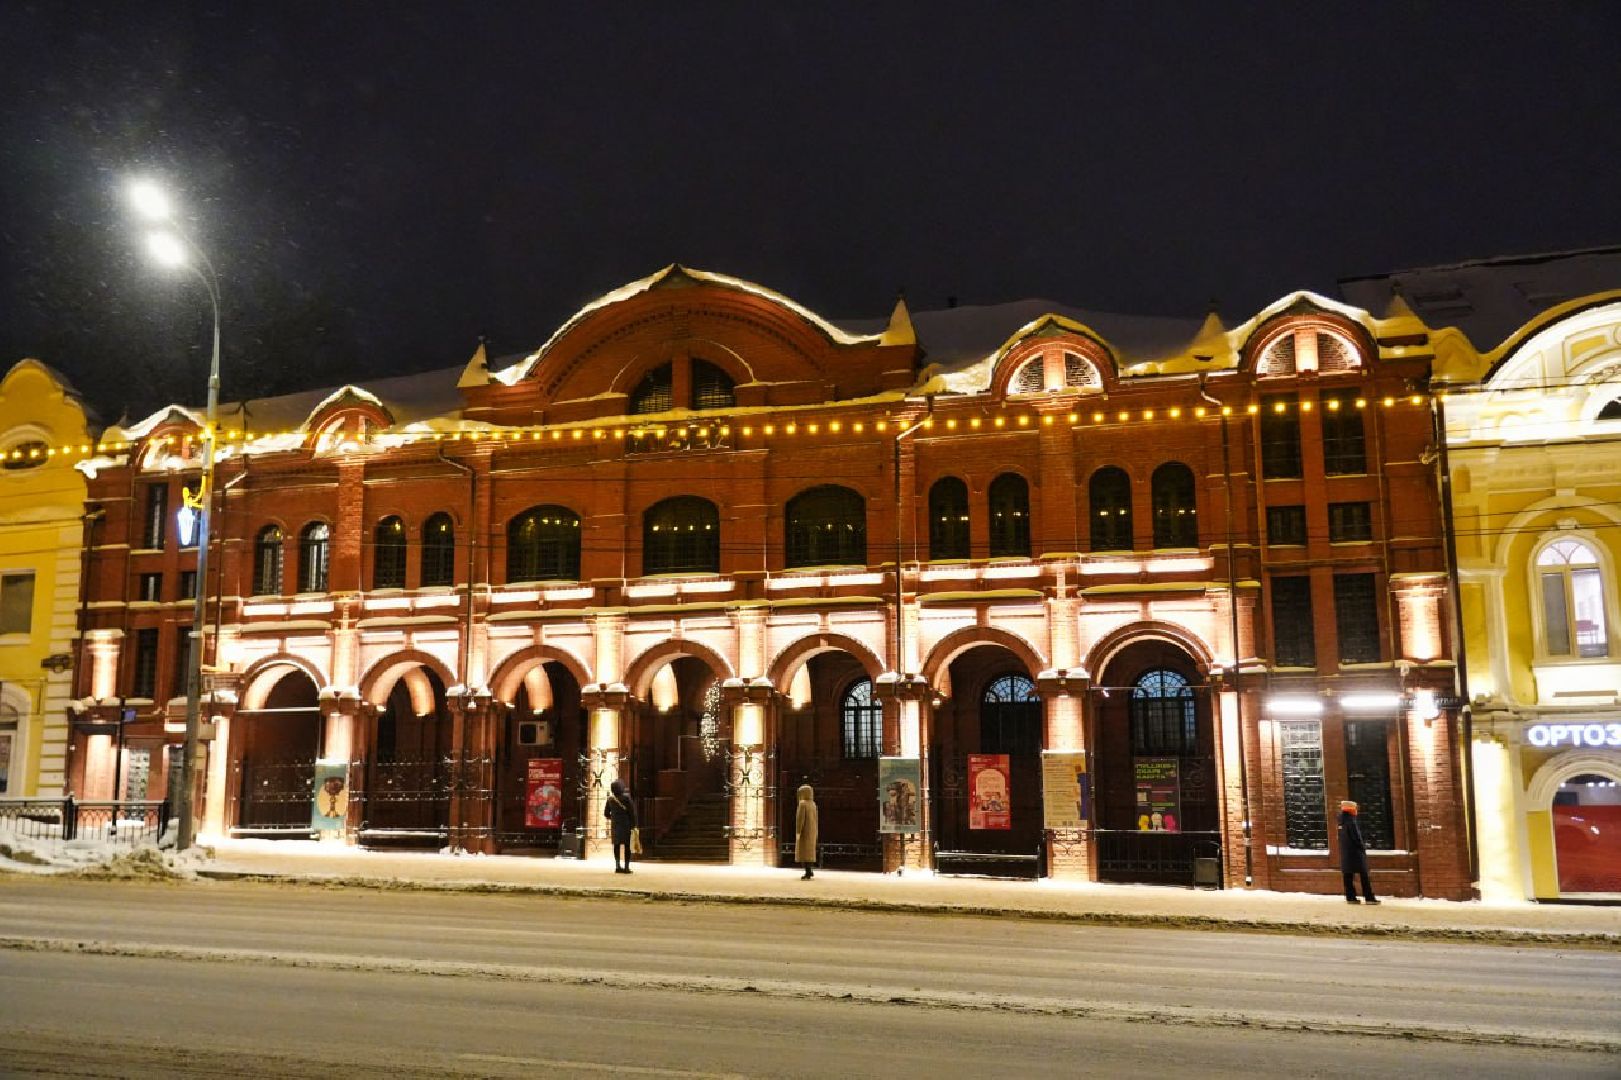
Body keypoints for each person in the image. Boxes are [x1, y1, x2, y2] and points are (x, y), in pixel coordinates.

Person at [1338, 799, 1379, 904]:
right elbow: (1356, 837)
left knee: (1348, 874)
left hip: (1346, 852)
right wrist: (1362, 847)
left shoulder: (1341, 821)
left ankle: (1350, 897)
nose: (1356, 811)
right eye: (1355, 809)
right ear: (1351, 809)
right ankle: (1369, 897)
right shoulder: (1351, 821)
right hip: (1355, 852)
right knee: (1364, 874)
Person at [605, 779, 637, 874]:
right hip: (626, 825)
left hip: (615, 825)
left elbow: (606, 813)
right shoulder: (626, 798)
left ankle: (618, 866)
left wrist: (614, 818)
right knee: (627, 846)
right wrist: (634, 824)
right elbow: (632, 813)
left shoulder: (610, 799)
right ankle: (626, 867)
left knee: (616, 846)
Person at [795, 783, 819, 880]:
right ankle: (810, 870)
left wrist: (798, 832)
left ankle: (808, 871)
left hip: (804, 832)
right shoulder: (813, 804)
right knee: (810, 852)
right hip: (812, 831)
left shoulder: (802, 804)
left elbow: (800, 820)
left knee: (804, 852)